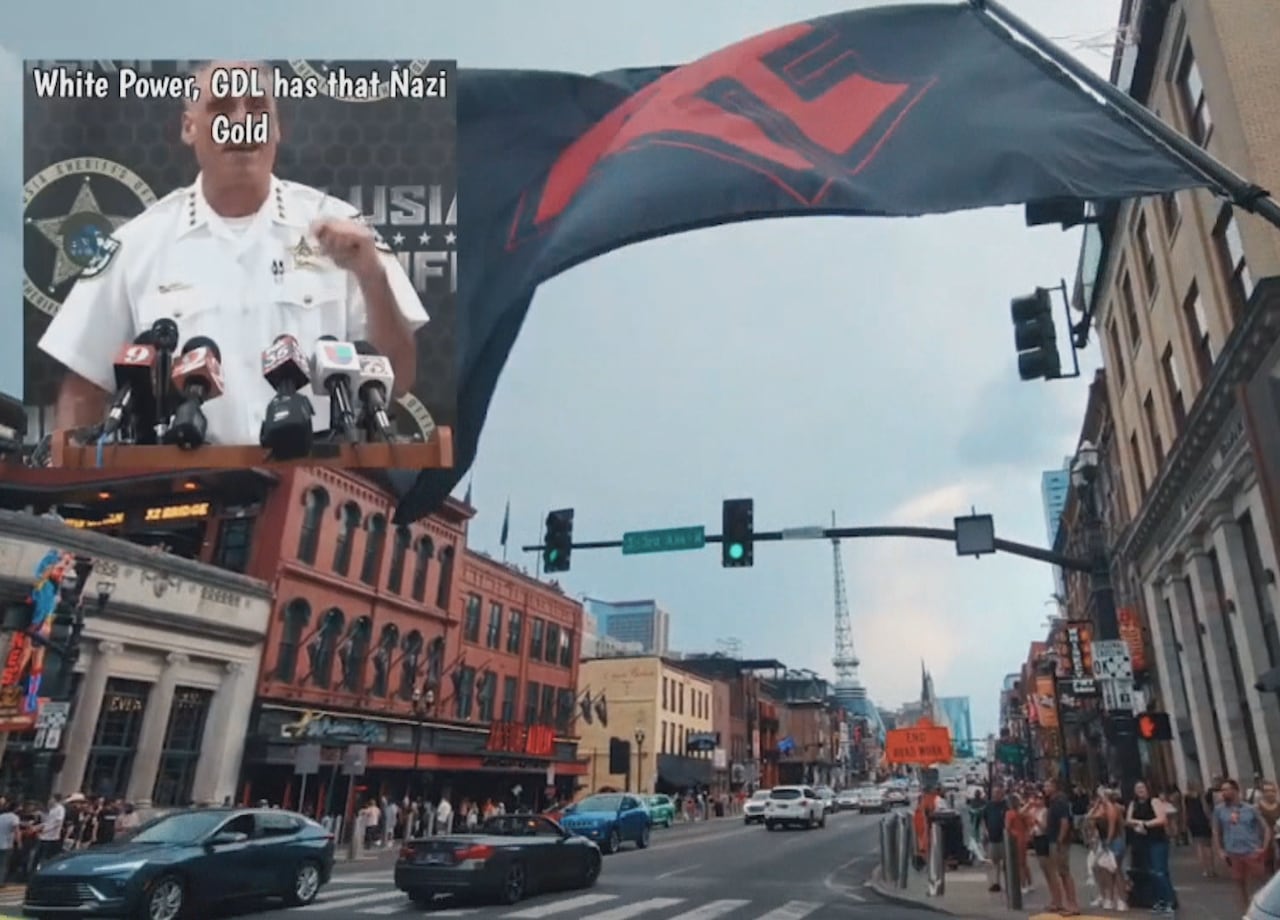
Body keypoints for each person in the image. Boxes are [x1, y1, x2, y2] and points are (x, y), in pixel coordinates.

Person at [39, 59, 429, 447]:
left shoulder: (345, 228)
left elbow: (399, 377)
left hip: (314, 487)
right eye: (222, 109)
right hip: (182, 491)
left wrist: (372, 276)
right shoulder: (136, 244)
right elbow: (84, 388)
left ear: (277, 129)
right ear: (189, 127)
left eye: (258, 109)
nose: (242, 123)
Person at [1212, 777, 1272, 912]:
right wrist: (1220, 850)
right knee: (1239, 884)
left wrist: (1264, 847)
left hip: (1251, 851)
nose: (1224, 793)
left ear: (1235, 791)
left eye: (1227, 789)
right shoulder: (1219, 810)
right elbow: (1216, 830)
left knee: (1260, 882)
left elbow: (1266, 828)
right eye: (1222, 790)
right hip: (1233, 852)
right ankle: (1246, 912)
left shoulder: (1250, 809)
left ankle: (1265, 909)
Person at [1127, 780, 1176, 915]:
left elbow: (1162, 819)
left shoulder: (1154, 802)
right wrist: (1139, 823)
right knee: (1152, 872)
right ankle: (1159, 900)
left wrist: (1145, 824)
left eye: (1142, 787)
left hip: (1157, 840)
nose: (1140, 790)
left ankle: (1169, 901)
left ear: (1148, 789)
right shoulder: (1133, 804)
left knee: (1160, 871)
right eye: (1137, 788)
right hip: (1143, 841)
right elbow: (1128, 820)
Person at [1044, 778, 1080, 916]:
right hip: (1054, 840)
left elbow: (1064, 821)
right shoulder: (1054, 801)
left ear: (1055, 787)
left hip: (1059, 842)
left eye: (1048, 786)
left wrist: (1060, 839)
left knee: (1064, 872)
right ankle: (1067, 903)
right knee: (1061, 872)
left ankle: (1073, 904)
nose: (1045, 788)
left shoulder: (1060, 802)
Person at [1088, 787, 1126, 911]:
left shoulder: (1112, 808)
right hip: (1105, 841)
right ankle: (1109, 898)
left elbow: (1112, 825)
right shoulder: (1100, 808)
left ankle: (1121, 900)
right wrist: (1097, 805)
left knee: (1116, 870)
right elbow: (1089, 817)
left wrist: (1108, 842)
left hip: (1115, 840)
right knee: (1106, 870)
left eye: (1101, 796)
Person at [1183, 781, 1215, 877]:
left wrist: (1185, 822)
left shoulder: (1186, 797)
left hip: (1193, 822)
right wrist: (1210, 819)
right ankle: (1212, 869)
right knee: (1208, 846)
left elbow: (1185, 810)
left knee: (1199, 847)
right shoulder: (1201, 796)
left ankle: (1204, 870)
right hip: (1202, 820)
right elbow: (1205, 809)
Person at [980, 784, 1009, 893]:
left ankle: (1009, 883)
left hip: (1004, 838)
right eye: (994, 793)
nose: (995, 795)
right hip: (992, 838)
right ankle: (996, 883)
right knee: (994, 862)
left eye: (997, 793)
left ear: (1002, 794)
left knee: (1006, 862)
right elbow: (984, 818)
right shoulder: (989, 806)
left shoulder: (1005, 805)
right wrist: (985, 831)